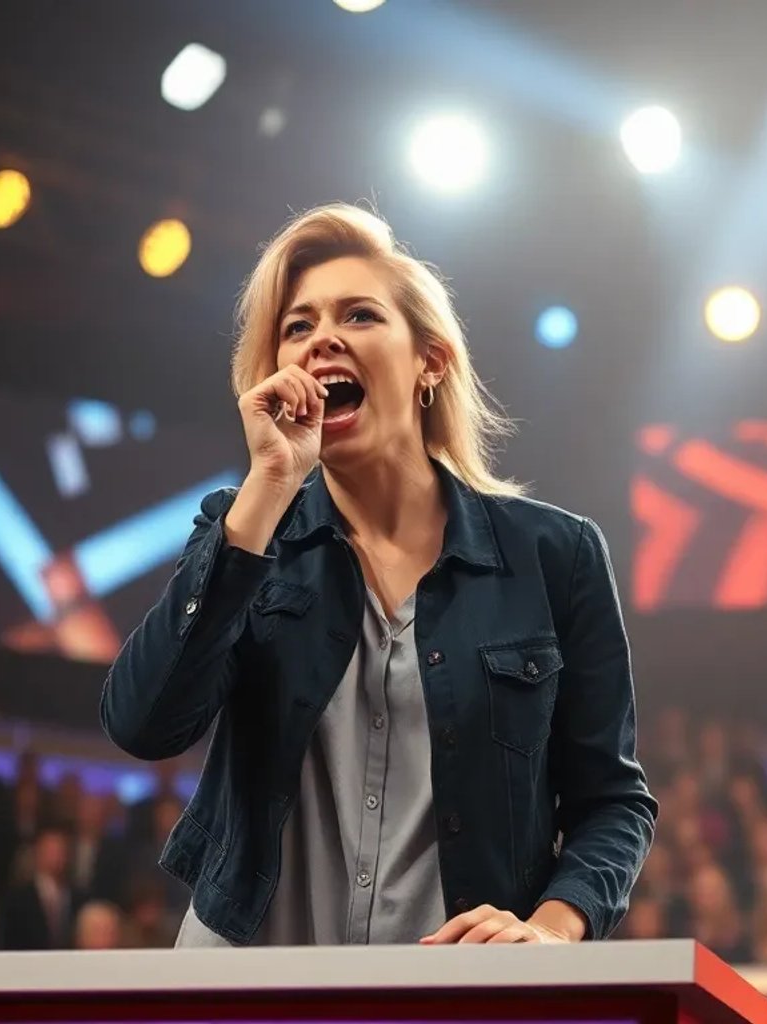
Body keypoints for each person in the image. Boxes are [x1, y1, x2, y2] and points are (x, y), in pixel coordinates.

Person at [101, 203, 656, 948]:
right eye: (297, 327)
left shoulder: (556, 555)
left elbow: (613, 802)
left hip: (455, 992)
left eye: (359, 315)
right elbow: (144, 723)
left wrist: (553, 931)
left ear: (430, 360)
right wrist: (267, 487)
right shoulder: (244, 532)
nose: (322, 336)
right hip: (243, 983)